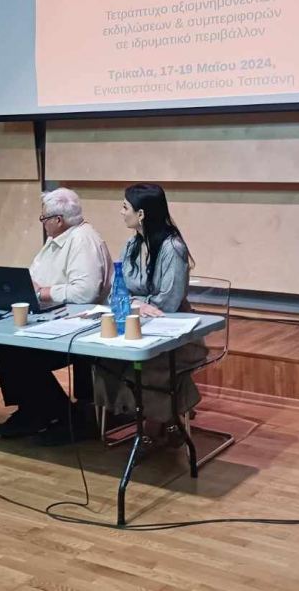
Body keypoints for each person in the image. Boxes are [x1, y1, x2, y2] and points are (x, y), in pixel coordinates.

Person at [0, 188, 113, 442]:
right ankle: (34, 409)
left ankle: (59, 414)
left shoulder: (82, 241)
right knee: (5, 341)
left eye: (44, 218)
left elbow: (85, 293)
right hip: (56, 319)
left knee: (17, 350)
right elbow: (36, 278)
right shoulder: (58, 239)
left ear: (58, 220)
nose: (43, 223)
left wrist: (43, 292)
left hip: (82, 328)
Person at [93, 183, 207, 450]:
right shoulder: (132, 244)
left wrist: (133, 302)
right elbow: (117, 291)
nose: (121, 212)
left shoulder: (173, 248)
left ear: (141, 214)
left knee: (150, 363)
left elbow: (167, 302)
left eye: (125, 207)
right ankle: (162, 415)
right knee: (104, 360)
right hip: (137, 325)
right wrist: (135, 303)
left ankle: (157, 421)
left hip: (175, 335)